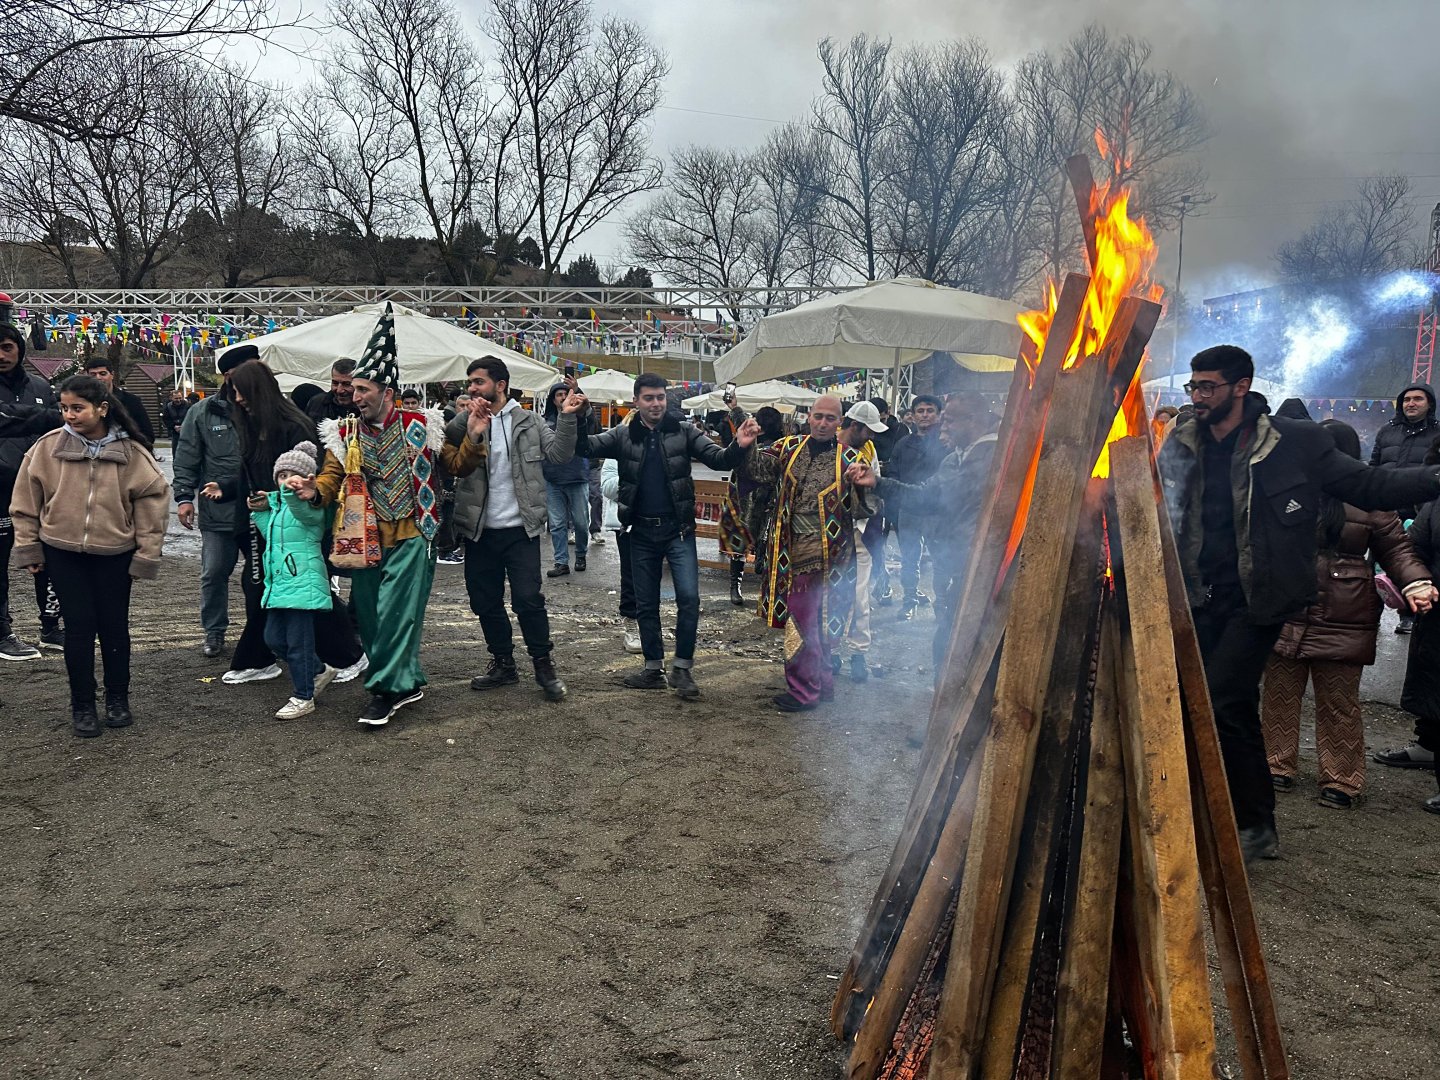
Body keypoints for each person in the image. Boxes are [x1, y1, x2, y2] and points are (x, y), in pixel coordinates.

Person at [1156, 345, 1440, 862]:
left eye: (1208, 387)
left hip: (1258, 598)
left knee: (1220, 698)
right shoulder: (1182, 441)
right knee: (1220, 704)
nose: (1197, 396)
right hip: (1198, 593)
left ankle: (1248, 822)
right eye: (1193, 387)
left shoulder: (1295, 442)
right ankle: (1245, 819)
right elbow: (1156, 503)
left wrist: (1432, 478)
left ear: (1241, 387)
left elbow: (1367, 483)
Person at [288, 305, 487, 727]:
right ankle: (407, 680)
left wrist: (471, 436)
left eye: (363, 389)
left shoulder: (423, 423)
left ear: (387, 392)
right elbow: (330, 475)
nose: (354, 396)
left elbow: (456, 465)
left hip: (416, 532)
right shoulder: (344, 432)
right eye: (354, 389)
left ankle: (385, 692)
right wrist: (314, 490)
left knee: (397, 611)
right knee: (373, 617)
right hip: (364, 538)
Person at [1260, 420, 1436, 808]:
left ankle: (1342, 779)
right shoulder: (1288, 490)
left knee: (1339, 701)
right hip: (1287, 608)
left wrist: (1416, 582)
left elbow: (1398, 549)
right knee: (1279, 695)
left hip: (1346, 613)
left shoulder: (1370, 499)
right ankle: (1276, 765)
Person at [573, 372, 759, 700]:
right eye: (649, 398)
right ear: (637, 401)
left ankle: (682, 668)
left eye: (660, 397)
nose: (656, 403)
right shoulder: (622, 435)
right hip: (640, 531)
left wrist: (739, 445)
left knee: (689, 598)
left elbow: (717, 459)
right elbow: (585, 446)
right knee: (646, 603)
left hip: (678, 531)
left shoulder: (684, 432)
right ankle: (652, 668)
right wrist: (583, 415)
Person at [9, 375, 169, 737]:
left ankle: (117, 699)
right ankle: (83, 704)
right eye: (64, 408)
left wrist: (146, 554)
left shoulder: (132, 453)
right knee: (78, 629)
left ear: (102, 408)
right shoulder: (46, 449)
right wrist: (29, 547)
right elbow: (25, 502)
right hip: (62, 552)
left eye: (77, 408)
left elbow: (153, 503)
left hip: (115, 554)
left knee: (114, 628)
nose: (69, 415)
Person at [206, 360, 367, 687]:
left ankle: (342, 655)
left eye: (240, 392)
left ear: (257, 391)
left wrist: (290, 503)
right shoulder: (253, 424)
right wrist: (227, 488)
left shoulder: (294, 426)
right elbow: (250, 473)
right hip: (264, 522)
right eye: (234, 392)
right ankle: (267, 656)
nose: (236, 399)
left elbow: (307, 478)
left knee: (303, 590)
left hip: (295, 523)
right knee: (271, 589)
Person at [445, 358, 579, 703]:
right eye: (470, 383)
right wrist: (469, 423)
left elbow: (560, 455)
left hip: (521, 528)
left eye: (478, 382)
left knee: (528, 599)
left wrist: (566, 417)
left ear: (500, 385)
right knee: (484, 601)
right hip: (479, 529)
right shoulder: (465, 419)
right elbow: (443, 449)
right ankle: (503, 662)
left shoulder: (530, 421)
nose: (472, 389)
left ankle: (543, 664)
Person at [738, 395, 869, 712]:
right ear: (809, 417)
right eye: (818, 416)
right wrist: (746, 445)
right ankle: (822, 684)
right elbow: (758, 471)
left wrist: (862, 485)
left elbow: (863, 509)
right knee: (813, 622)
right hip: (789, 548)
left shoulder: (849, 460)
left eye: (830, 418)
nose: (823, 423)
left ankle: (803, 691)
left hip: (829, 557)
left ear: (841, 423)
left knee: (804, 621)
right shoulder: (787, 448)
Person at [850, 394, 998, 672]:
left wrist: (880, 483)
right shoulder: (956, 459)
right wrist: (878, 482)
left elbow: (936, 499)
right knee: (948, 640)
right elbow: (926, 496)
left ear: (975, 420)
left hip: (982, 566)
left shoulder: (991, 457)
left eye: (951, 420)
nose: (945, 426)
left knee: (965, 645)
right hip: (959, 560)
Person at [252, 441, 340, 720]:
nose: (286, 481)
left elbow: (305, 515)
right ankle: (318, 670)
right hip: (280, 583)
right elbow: (271, 536)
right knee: (274, 639)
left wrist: (289, 496)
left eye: (293, 475)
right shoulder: (277, 506)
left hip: (303, 581)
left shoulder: (311, 506)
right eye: (281, 475)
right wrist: (260, 511)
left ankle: (304, 696)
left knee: (299, 643)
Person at [173, 350, 247, 658]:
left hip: (263, 511)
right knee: (214, 571)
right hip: (218, 512)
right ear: (227, 376)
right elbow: (187, 456)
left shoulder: (267, 410)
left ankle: (270, 633)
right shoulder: (202, 412)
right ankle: (214, 631)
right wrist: (183, 497)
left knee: (266, 575)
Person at [0, 322, 63, 660]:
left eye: (7, 346)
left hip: (40, 488)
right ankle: (2, 633)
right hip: (0, 491)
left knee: (48, 558)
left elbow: (60, 424)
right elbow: (52, 419)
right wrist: (46, 417)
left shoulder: (39, 384)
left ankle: (51, 628)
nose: (1, 355)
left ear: (19, 349)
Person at [1370, 382, 1439, 634]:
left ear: (1429, 403)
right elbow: (1374, 464)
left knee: (1413, 563)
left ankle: (1408, 615)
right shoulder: (1387, 431)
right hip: (1385, 508)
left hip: (1418, 512)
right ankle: (1370, 614)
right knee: (1373, 566)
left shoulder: (1437, 433)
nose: (1411, 403)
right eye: (1407, 399)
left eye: (1418, 399)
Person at [1395, 445, 1440, 814]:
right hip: (1438, 605)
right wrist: (1418, 582)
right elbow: (1416, 547)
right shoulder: (1435, 502)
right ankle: (1428, 746)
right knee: (1432, 682)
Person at [833, 401, 886, 682]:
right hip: (829, 535)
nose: (872, 436)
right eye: (868, 430)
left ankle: (858, 653)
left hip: (859, 532)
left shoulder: (869, 450)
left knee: (860, 595)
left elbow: (875, 490)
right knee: (829, 595)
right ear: (854, 426)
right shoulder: (831, 448)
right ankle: (829, 652)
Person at [885, 394, 947, 619]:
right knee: (910, 557)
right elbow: (893, 472)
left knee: (941, 559)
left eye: (930, 411)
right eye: (920, 411)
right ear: (912, 416)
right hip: (909, 510)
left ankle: (942, 605)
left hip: (937, 512)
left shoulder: (945, 442)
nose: (925, 415)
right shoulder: (903, 444)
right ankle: (909, 599)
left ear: (939, 415)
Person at [719, 404, 785, 606]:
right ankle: (740, 586)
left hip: (750, 502)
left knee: (743, 543)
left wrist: (736, 410)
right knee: (759, 543)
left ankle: (736, 586)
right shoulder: (780, 446)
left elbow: (749, 464)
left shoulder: (768, 447)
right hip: (758, 503)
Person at [541, 382, 593, 577]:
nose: (563, 397)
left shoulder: (580, 416)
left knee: (581, 522)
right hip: (553, 478)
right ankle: (561, 561)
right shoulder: (545, 422)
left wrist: (580, 396)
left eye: (565, 393)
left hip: (577, 476)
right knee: (557, 524)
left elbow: (592, 427)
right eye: (559, 394)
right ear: (553, 400)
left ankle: (580, 554)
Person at [600, 455, 641, 654]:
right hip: (627, 524)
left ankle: (649, 624)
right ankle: (631, 624)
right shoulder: (619, 447)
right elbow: (607, 488)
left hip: (658, 520)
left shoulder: (664, 442)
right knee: (631, 574)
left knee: (651, 577)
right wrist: (635, 475)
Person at [82, 356, 155, 444]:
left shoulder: (131, 401)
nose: (98, 378)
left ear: (112, 375)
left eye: (103, 374)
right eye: (93, 374)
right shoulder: (81, 401)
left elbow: (147, 435)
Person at [304, 358, 358, 423]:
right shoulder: (316, 403)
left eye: (346, 384)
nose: (339, 390)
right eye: (335, 383)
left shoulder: (367, 410)